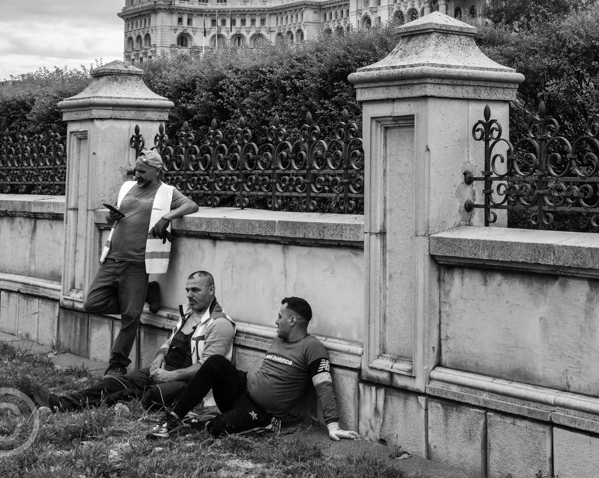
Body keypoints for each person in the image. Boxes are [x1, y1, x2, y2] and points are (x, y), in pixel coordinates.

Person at [148, 297, 357, 441]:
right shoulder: (279, 339)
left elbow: (324, 386)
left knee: (216, 429)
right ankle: (174, 418)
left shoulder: (313, 347)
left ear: (293, 320)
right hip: (242, 393)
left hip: (263, 414)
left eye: (280, 317)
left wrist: (333, 426)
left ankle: (195, 424)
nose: (276, 321)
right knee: (215, 362)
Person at [33, 271, 235, 413]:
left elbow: (206, 368)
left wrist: (171, 375)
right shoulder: (188, 313)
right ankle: (59, 403)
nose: (189, 295)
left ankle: (120, 402)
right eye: (187, 290)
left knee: (152, 395)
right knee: (113, 382)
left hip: (190, 383)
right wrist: (160, 356)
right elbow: (169, 341)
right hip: (163, 371)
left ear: (211, 290)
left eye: (195, 290)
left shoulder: (220, 324)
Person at [83, 149, 199, 376]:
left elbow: (191, 206)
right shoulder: (127, 187)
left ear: (157, 171)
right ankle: (146, 293)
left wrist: (167, 217)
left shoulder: (167, 192)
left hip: (137, 263)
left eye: (142, 172)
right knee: (92, 303)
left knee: (131, 317)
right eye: (136, 171)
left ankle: (117, 364)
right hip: (112, 258)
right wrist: (111, 217)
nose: (137, 175)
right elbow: (112, 219)